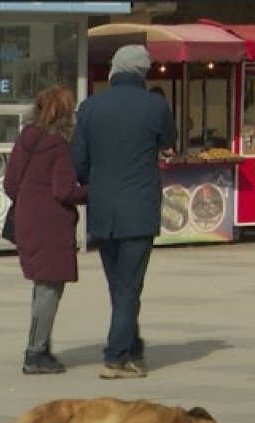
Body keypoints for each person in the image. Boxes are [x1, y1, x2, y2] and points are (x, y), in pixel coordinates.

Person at [71, 45, 176, 379]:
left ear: (115, 70)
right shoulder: (156, 106)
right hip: (140, 208)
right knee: (129, 286)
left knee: (119, 284)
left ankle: (131, 347)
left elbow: (78, 163)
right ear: (143, 72)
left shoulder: (89, 108)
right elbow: (168, 140)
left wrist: (97, 181)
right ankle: (115, 356)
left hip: (103, 210)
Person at [3, 85, 87, 375]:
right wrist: (91, 191)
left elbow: (9, 185)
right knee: (49, 288)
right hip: (51, 226)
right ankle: (36, 352)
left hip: (27, 221)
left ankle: (38, 346)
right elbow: (64, 190)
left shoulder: (25, 138)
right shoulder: (58, 144)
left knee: (42, 287)